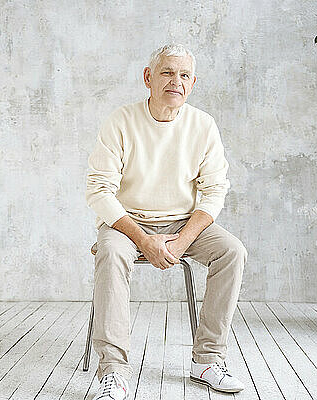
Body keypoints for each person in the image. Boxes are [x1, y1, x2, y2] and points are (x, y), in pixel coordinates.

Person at [85, 43, 248, 399]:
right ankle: (113, 371)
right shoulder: (121, 121)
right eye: (167, 72)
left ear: (192, 83)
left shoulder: (203, 125)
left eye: (184, 75)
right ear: (148, 78)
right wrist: (143, 239)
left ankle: (207, 360)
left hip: (183, 223)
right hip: (125, 224)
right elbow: (99, 191)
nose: (176, 81)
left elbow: (215, 190)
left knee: (232, 251)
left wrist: (183, 239)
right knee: (111, 254)